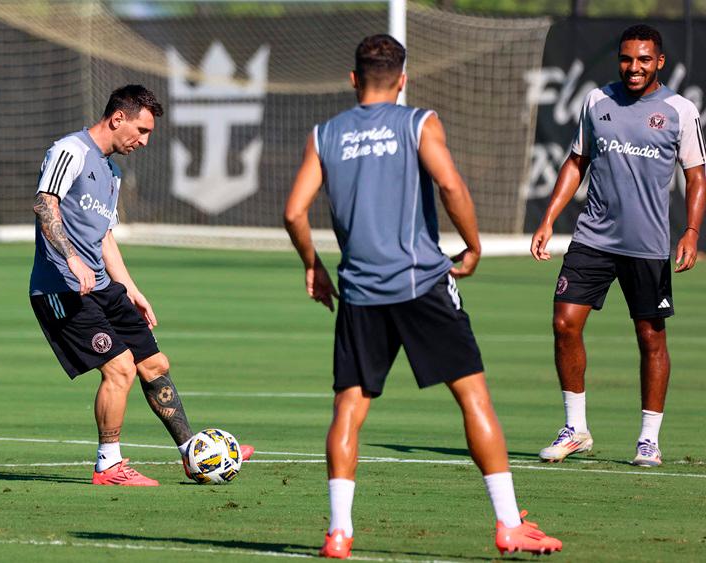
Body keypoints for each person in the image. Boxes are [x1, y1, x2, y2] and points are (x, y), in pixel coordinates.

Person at [284, 35, 562, 558]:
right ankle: (508, 524)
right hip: (421, 284)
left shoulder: (325, 135)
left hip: (361, 292)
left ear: (352, 78)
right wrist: (475, 245)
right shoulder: (418, 122)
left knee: (349, 408)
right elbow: (451, 186)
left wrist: (313, 266)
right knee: (473, 397)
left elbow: (294, 212)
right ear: (404, 79)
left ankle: (339, 533)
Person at [30, 84, 253, 486]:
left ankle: (191, 452)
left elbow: (104, 237)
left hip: (100, 286)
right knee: (119, 369)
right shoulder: (70, 152)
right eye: (142, 130)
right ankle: (108, 465)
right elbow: (46, 205)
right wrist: (72, 259)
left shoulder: (111, 173)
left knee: (154, 364)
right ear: (117, 118)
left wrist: (130, 288)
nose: (144, 142)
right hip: (60, 288)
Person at [531, 24, 706, 467]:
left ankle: (648, 438)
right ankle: (576, 428)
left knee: (650, 338)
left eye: (644, 59)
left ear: (659, 62)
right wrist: (549, 218)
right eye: (627, 59)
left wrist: (690, 231)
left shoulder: (681, 110)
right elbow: (576, 162)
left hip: (647, 244)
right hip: (593, 236)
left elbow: (696, 175)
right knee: (564, 323)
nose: (634, 67)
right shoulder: (597, 101)